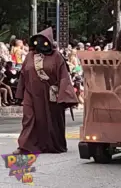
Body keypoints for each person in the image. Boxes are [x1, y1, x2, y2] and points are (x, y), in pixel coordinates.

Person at [13, 27, 78, 155]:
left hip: (50, 94)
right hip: (31, 93)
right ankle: (25, 146)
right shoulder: (30, 56)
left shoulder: (57, 56)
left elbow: (64, 76)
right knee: (28, 118)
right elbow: (23, 75)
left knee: (50, 120)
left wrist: (65, 95)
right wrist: (20, 94)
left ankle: (51, 145)